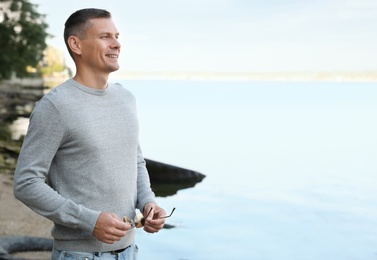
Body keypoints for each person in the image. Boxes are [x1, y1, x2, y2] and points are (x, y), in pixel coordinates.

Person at [13, 8, 167, 259]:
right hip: (79, 255)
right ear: (76, 44)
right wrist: (89, 220)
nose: (116, 44)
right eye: (105, 36)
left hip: (129, 252)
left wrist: (148, 203)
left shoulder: (126, 99)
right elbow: (26, 183)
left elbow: (135, 161)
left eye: (117, 36)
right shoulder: (55, 107)